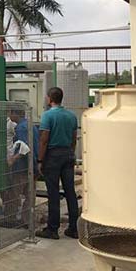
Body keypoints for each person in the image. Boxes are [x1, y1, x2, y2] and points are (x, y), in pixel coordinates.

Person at [36, 87, 80, 239]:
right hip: (68, 154)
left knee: (53, 193)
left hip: (53, 156)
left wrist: (40, 160)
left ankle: (52, 229)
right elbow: (74, 138)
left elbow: (44, 140)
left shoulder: (47, 116)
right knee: (70, 192)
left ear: (49, 99)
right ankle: (74, 228)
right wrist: (71, 153)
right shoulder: (71, 116)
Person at [0, 109, 38, 228]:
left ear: (15, 114)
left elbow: (24, 148)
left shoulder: (21, 128)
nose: (9, 115)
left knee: (14, 193)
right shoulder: (31, 125)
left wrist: (13, 159)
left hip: (21, 166)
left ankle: (10, 219)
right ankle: (27, 220)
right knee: (29, 194)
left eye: (10, 113)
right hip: (32, 165)